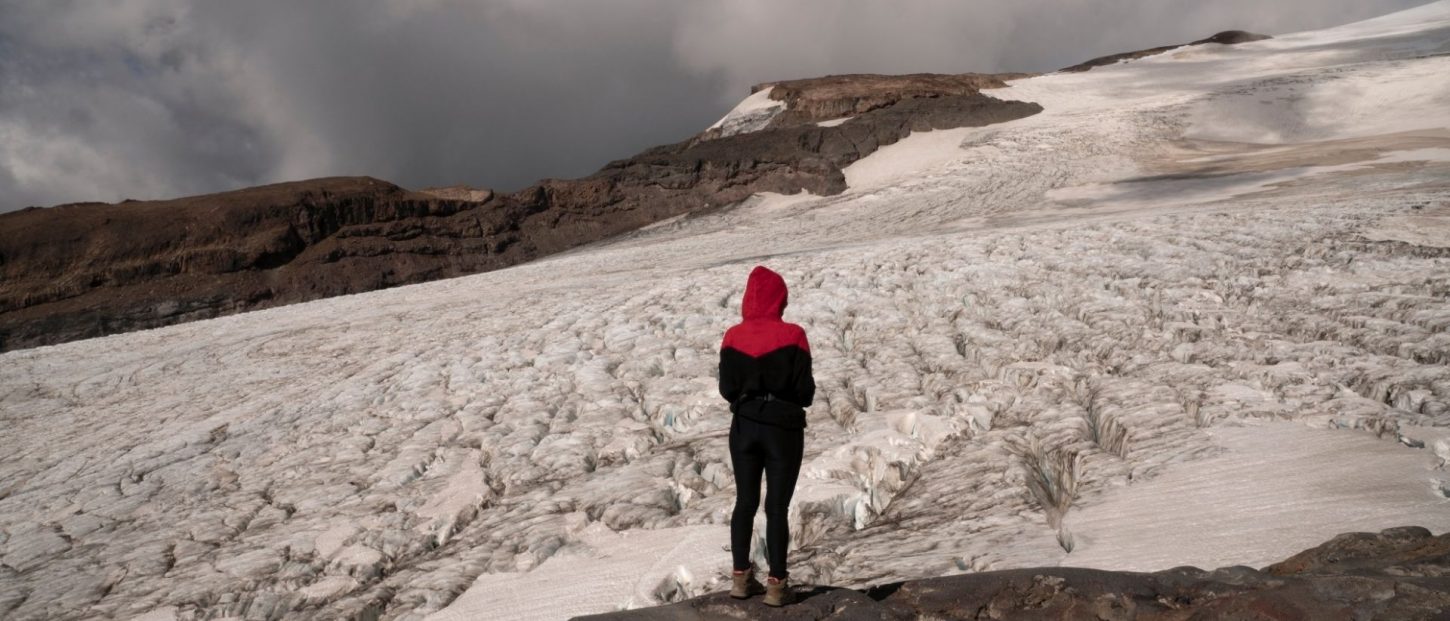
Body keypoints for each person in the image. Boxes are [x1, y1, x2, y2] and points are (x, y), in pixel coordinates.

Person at [718, 265, 815, 607]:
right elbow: (804, 392)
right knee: (776, 506)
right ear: (780, 299)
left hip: (743, 426)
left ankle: (741, 579)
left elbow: (727, 389)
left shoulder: (732, 336)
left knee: (745, 502)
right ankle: (777, 585)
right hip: (782, 429)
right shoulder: (794, 335)